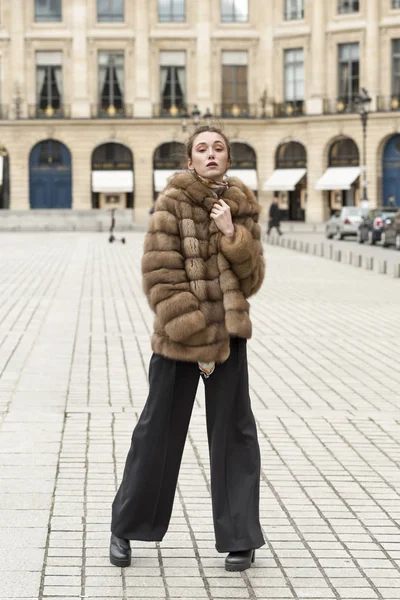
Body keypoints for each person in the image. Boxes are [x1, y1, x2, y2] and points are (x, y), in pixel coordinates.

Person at [110, 125, 265, 573]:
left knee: (234, 433)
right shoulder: (171, 204)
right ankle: (124, 525)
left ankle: (240, 536)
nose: (210, 154)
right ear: (190, 159)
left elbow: (251, 280)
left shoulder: (241, 205)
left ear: (229, 159)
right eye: (202, 148)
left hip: (230, 339)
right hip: (180, 339)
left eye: (219, 148)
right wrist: (196, 337)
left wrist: (231, 231)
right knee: (156, 432)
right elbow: (159, 278)